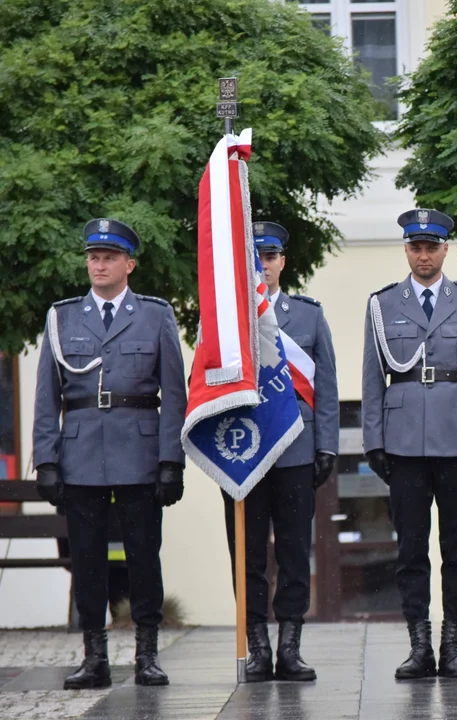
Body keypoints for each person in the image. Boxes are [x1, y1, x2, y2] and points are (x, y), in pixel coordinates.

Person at [33, 218, 186, 689]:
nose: (99, 265)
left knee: (144, 556)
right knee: (88, 560)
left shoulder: (155, 315)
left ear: (129, 264)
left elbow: (173, 394)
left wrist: (170, 460)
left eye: (109, 258)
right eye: (93, 257)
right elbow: (46, 395)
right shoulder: (62, 317)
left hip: (138, 452)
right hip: (80, 455)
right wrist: (47, 459)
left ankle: (147, 654)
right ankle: (94, 657)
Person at [362, 209, 457, 680]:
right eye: (415, 247)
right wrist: (374, 441)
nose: (424, 255)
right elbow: (371, 378)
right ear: (406, 250)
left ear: (446, 249)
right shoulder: (382, 304)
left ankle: (453, 645)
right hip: (403, 443)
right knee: (411, 549)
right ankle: (419, 645)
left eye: (432, 247)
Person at [222, 221, 339, 682]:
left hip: (294, 449)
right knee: (247, 555)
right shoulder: (228, 319)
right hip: (243, 451)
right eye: (255, 257)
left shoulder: (308, 315)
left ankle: (290, 646)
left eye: (269, 257)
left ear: (282, 262)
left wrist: (326, 444)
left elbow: (326, 386)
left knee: (293, 552)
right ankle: (258, 648)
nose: (263, 265)